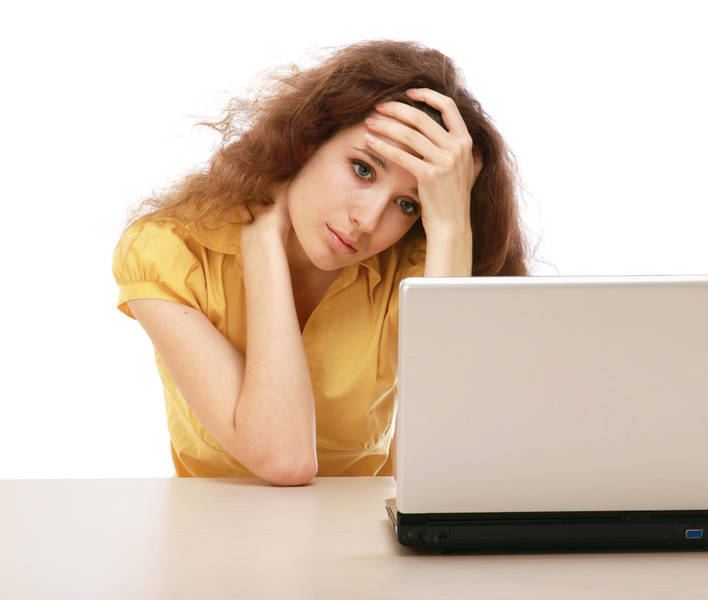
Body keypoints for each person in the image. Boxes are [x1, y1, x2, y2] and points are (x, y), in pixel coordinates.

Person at [112, 40, 532, 486]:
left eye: (408, 204)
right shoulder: (169, 251)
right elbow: (284, 459)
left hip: (362, 541)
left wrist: (450, 226)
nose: (368, 221)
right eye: (363, 169)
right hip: (208, 538)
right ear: (308, 143)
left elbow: (441, 476)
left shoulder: (417, 271)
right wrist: (263, 250)